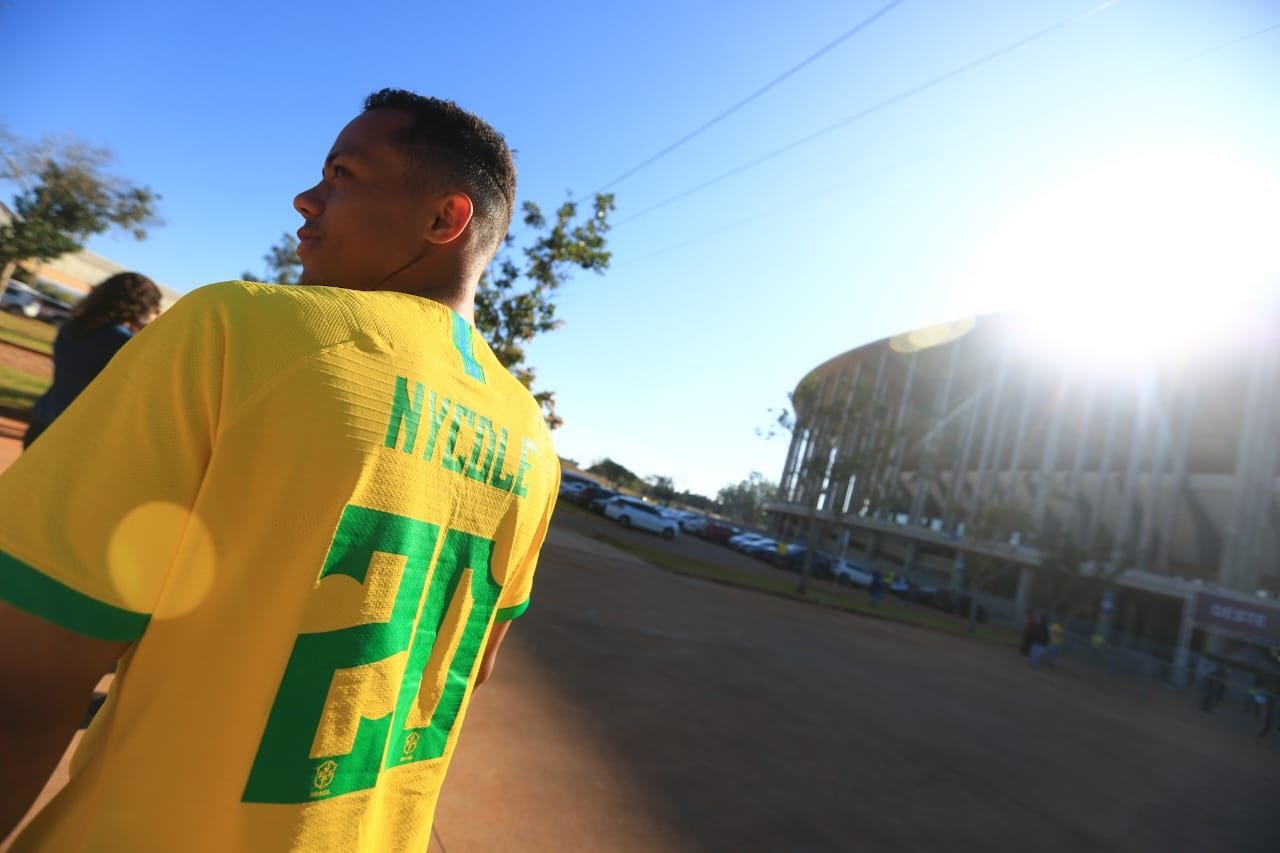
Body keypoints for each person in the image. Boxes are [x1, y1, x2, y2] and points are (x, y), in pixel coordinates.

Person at [0, 89, 558, 852]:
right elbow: (459, 675)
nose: (306, 197)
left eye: (342, 174)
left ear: (443, 219)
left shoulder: (234, 331)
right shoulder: (534, 439)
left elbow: (24, 676)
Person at [22, 271, 163, 448]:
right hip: (76, 434)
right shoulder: (122, 341)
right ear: (142, 307)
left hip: (43, 418)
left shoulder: (71, 328)